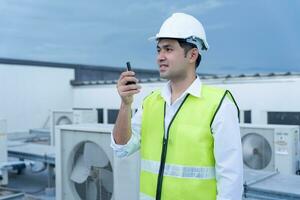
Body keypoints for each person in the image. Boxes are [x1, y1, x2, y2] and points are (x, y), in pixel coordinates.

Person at [112, 13, 243, 200]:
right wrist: (125, 105)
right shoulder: (151, 102)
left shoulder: (219, 105)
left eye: (168, 49)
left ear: (192, 55)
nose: (160, 57)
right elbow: (121, 148)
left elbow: (231, 180)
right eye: (158, 50)